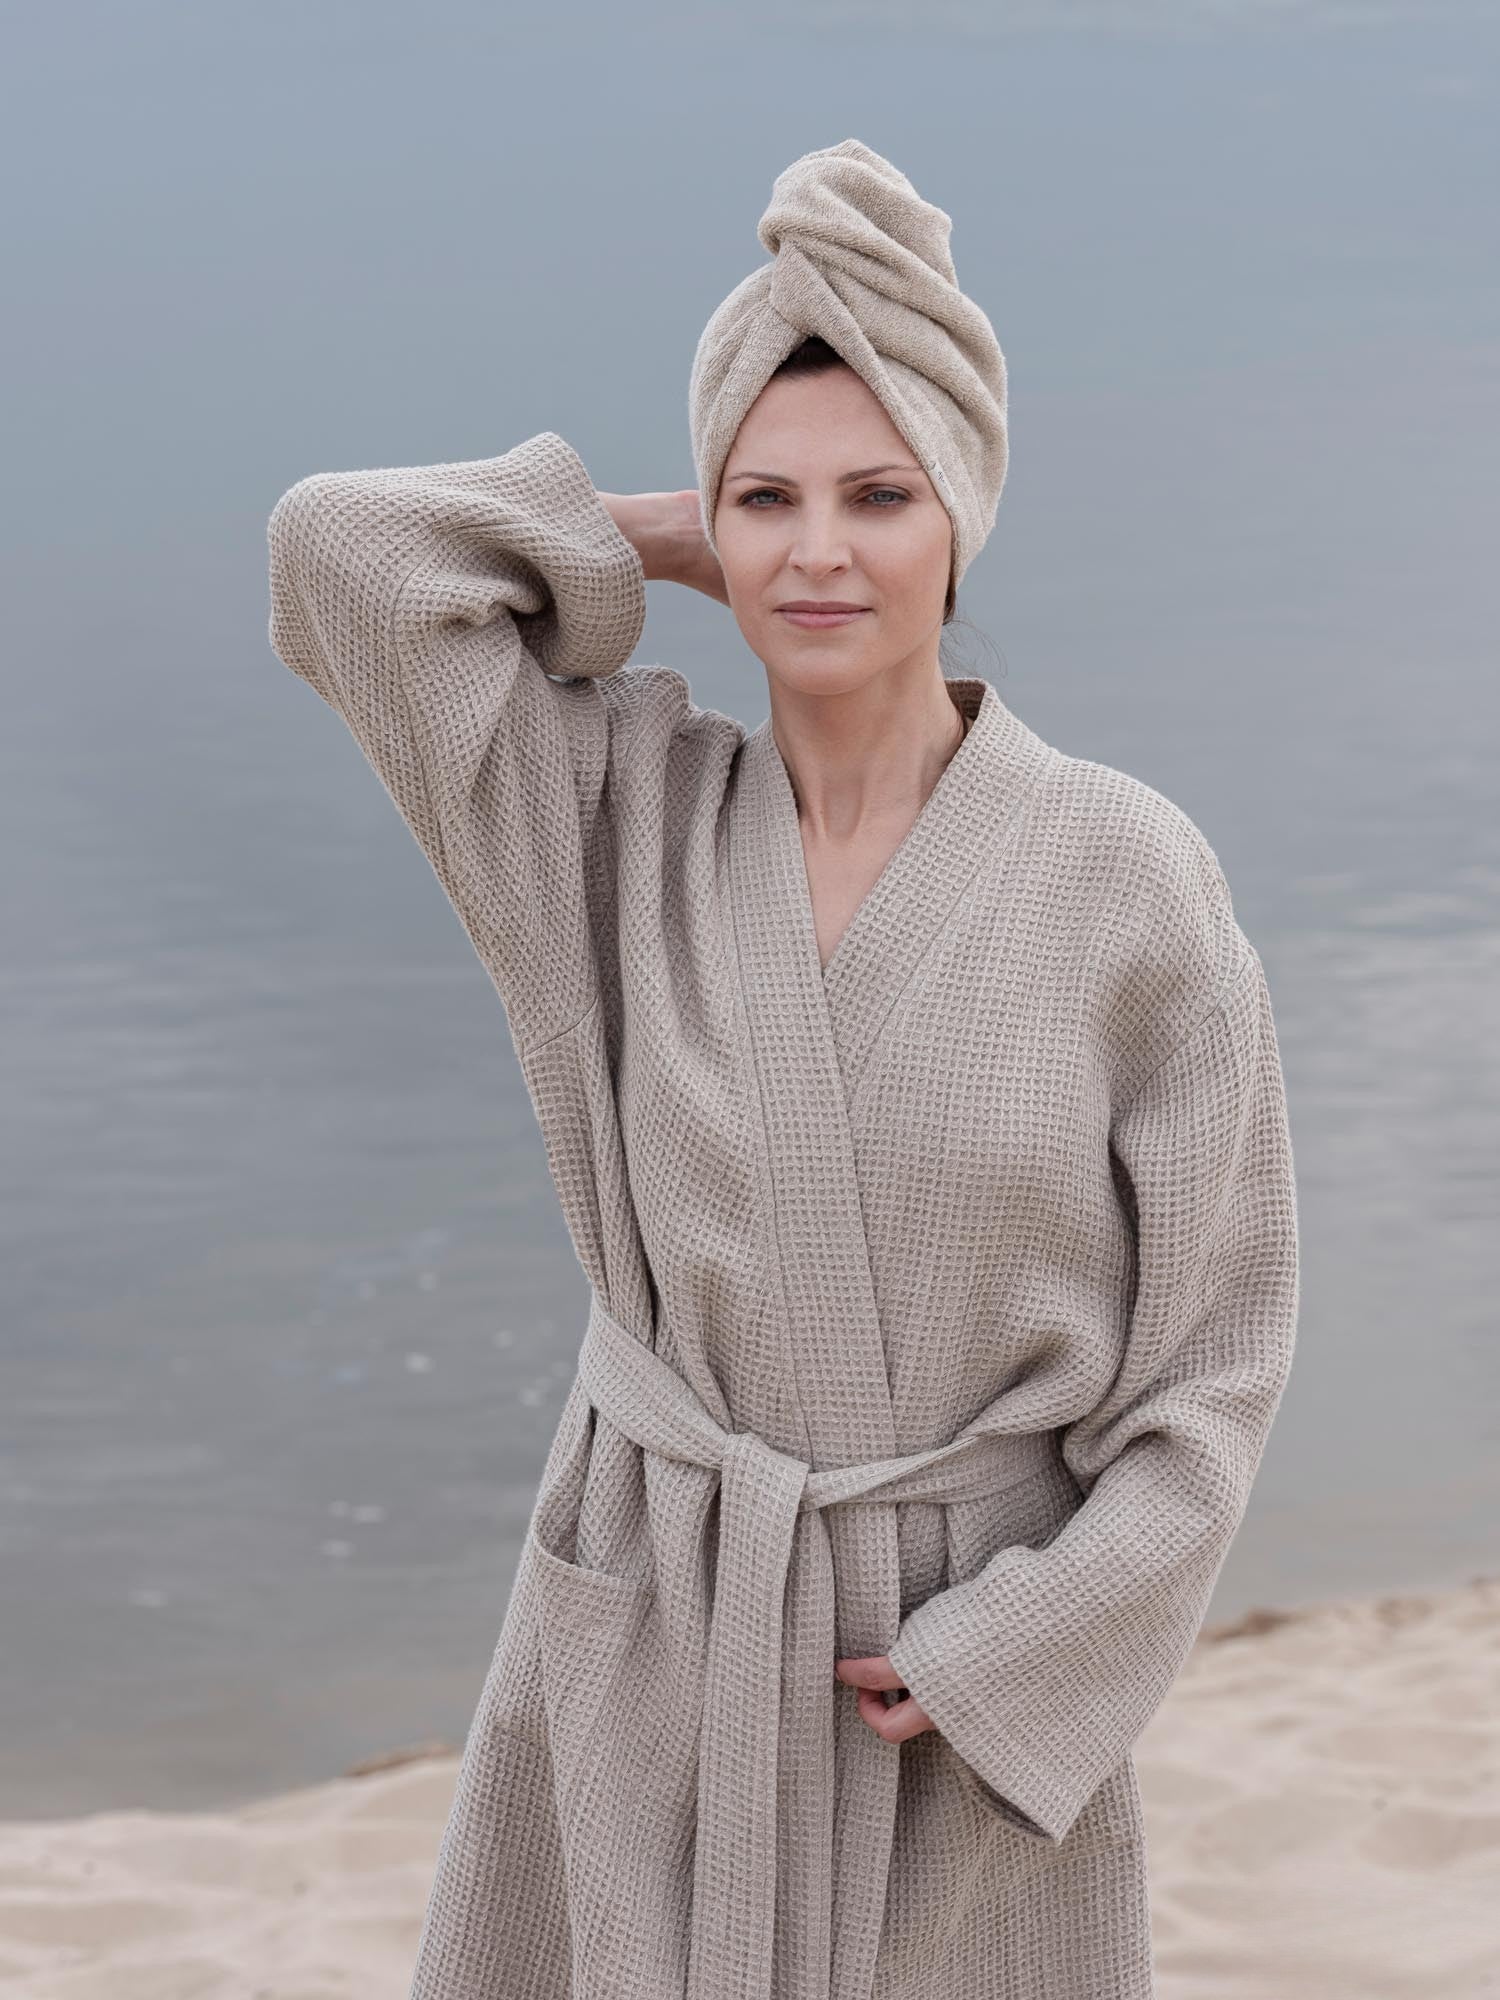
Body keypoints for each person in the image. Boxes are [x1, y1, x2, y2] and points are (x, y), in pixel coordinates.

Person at [265, 139, 1299, 2000]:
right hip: (661, 1605)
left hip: (949, 1671)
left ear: (964, 516)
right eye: (772, 501)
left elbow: (1214, 1368)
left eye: (883, 496)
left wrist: (1026, 1644)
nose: (822, 552)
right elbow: (341, 554)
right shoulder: (605, 820)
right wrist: (650, 533)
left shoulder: (1129, 874)